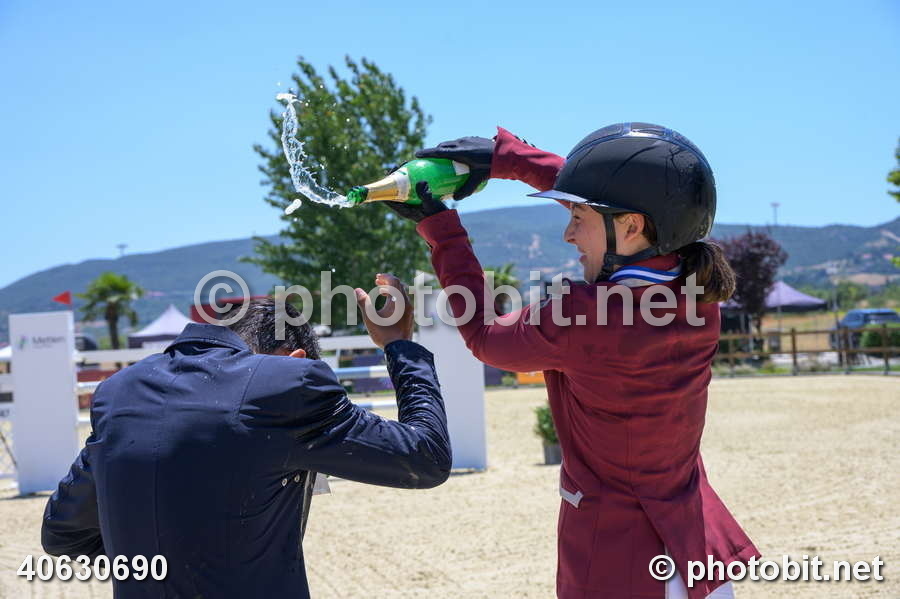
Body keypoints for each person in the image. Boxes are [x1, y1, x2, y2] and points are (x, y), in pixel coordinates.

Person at [388, 124, 760, 599]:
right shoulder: (699, 296)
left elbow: (484, 335)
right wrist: (507, 160)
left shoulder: (583, 314)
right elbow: (627, 197)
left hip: (620, 564)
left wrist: (442, 227)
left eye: (578, 217)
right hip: (696, 556)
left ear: (632, 227)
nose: (568, 233)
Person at [41, 275, 451, 599]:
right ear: (294, 360)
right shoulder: (286, 385)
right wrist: (399, 345)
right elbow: (425, 457)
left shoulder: (120, 390)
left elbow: (62, 533)